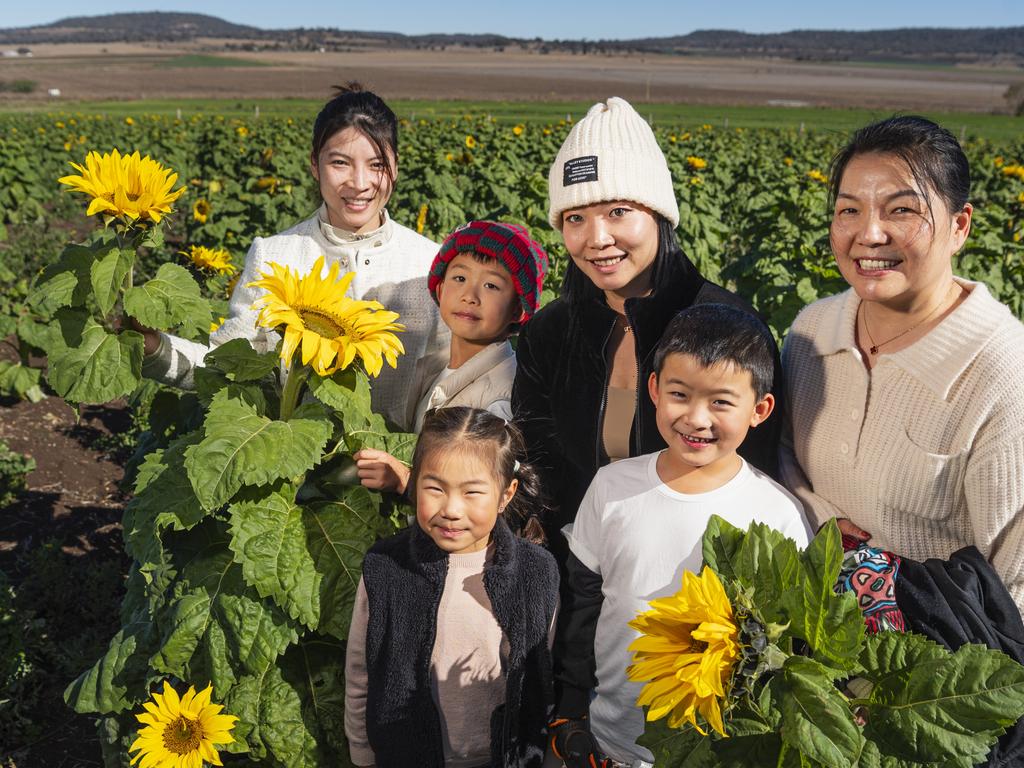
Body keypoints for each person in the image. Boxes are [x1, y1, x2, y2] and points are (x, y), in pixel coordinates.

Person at [512, 96, 782, 564]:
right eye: (576, 218)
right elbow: (538, 461)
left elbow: (759, 473)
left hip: (697, 572)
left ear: (658, 213)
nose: (597, 239)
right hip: (579, 572)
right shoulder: (549, 332)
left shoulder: (731, 330)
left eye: (618, 212)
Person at [780, 115, 1024, 614]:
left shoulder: (1004, 373)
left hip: (927, 673)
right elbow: (780, 458)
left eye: (902, 210)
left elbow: (1016, 585)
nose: (869, 234)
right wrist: (824, 530)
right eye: (849, 209)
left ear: (960, 226)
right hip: (803, 636)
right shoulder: (810, 331)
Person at [550, 304, 811, 767]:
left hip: (715, 747)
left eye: (721, 403)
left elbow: (790, 645)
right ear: (653, 389)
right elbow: (582, 602)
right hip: (610, 738)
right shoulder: (612, 487)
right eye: (679, 394)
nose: (696, 418)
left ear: (760, 409)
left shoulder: (776, 516)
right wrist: (570, 708)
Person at [139, 83, 446, 426]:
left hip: (403, 470)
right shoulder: (275, 255)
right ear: (315, 165)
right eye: (340, 163)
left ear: (396, 167)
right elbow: (225, 365)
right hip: (296, 466)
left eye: (376, 165)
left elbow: (451, 381)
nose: (360, 183)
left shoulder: (429, 261)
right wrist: (156, 349)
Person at [344, 407, 559, 768]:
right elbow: (361, 668)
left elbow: (540, 677)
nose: (451, 509)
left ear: (506, 494)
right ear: (414, 485)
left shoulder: (536, 573)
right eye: (435, 488)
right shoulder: (386, 567)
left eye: (472, 492)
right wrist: (363, 753)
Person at [355, 220, 549, 494]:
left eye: (492, 286)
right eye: (460, 278)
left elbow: (479, 497)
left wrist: (405, 482)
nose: (470, 296)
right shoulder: (431, 367)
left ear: (519, 309)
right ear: (439, 289)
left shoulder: (502, 399)